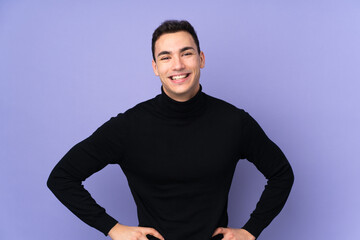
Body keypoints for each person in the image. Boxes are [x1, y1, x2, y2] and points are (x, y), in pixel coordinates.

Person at [47, 20, 294, 240]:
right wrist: (112, 228)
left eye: (186, 53)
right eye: (166, 57)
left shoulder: (234, 122)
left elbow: (281, 174)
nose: (177, 65)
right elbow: (62, 178)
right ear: (156, 67)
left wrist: (251, 230)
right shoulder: (128, 127)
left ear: (201, 59)